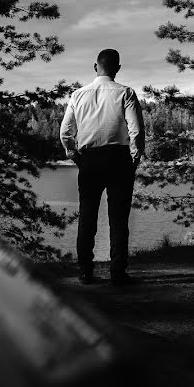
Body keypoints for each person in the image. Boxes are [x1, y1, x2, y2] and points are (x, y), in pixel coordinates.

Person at [59, 49, 145, 285]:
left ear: (95, 66)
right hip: (119, 159)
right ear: (117, 68)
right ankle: (117, 273)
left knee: (87, 216)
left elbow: (65, 132)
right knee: (119, 219)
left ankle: (85, 272)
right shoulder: (126, 92)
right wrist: (135, 157)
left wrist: (74, 156)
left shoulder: (77, 94)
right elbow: (135, 130)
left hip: (89, 160)